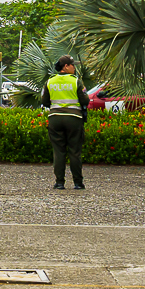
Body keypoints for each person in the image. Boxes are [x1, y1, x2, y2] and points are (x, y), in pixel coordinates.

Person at [44, 55, 87, 190]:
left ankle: (59, 182)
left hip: (55, 118)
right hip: (74, 119)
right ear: (66, 66)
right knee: (74, 151)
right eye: (73, 65)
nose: (74, 68)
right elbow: (85, 100)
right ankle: (78, 183)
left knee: (58, 151)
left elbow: (44, 101)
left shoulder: (50, 81)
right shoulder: (76, 81)